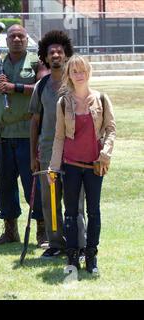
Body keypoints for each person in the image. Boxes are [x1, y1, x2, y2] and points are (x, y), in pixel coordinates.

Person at [0, 24, 47, 246]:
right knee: (5, 184)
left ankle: (42, 231)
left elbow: (42, 88)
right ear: (5, 41)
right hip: (2, 135)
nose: (16, 39)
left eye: (21, 36)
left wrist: (14, 87)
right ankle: (10, 230)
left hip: (28, 134)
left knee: (32, 183)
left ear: (27, 40)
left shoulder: (36, 63)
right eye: (12, 36)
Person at [49, 55, 116, 273]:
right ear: (69, 74)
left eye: (82, 71)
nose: (79, 75)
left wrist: (105, 153)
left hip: (95, 165)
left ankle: (91, 257)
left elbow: (110, 130)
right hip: (70, 165)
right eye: (74, 71)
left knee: (94, 212)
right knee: (70, 213)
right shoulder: (63, 103)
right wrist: (53, 166)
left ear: (89, 72)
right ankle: (72, 258)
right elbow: (59, 137)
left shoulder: (101, 99)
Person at [29, 30, 87, 259]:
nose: (55, 54)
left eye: (59, 51)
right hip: (46, 152)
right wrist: (33, 155)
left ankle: (80, 245)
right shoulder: (41, 86)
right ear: (45, 56)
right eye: (51, 51)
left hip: (74, 152)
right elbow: (34, 121)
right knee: (50, 200)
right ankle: (56, 243)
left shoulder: (76, 83)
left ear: (66, 55)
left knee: (76, 199)